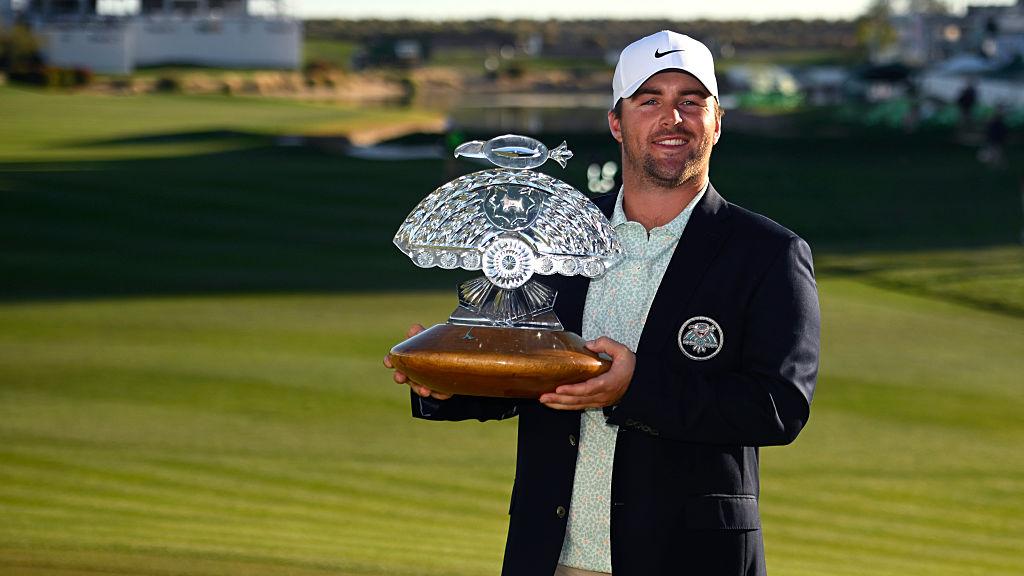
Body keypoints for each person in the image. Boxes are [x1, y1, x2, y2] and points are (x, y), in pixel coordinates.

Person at [384, 30, 820, 576]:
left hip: (690, 559)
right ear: (617, 122)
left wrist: (637, 387)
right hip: (553, 557)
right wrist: (452, 385)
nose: (673, 118)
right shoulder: (554, 232)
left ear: (716, 120)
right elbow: (527, 373)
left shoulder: (769, 254)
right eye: (649, 101)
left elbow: (779, 407)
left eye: (691, 101)